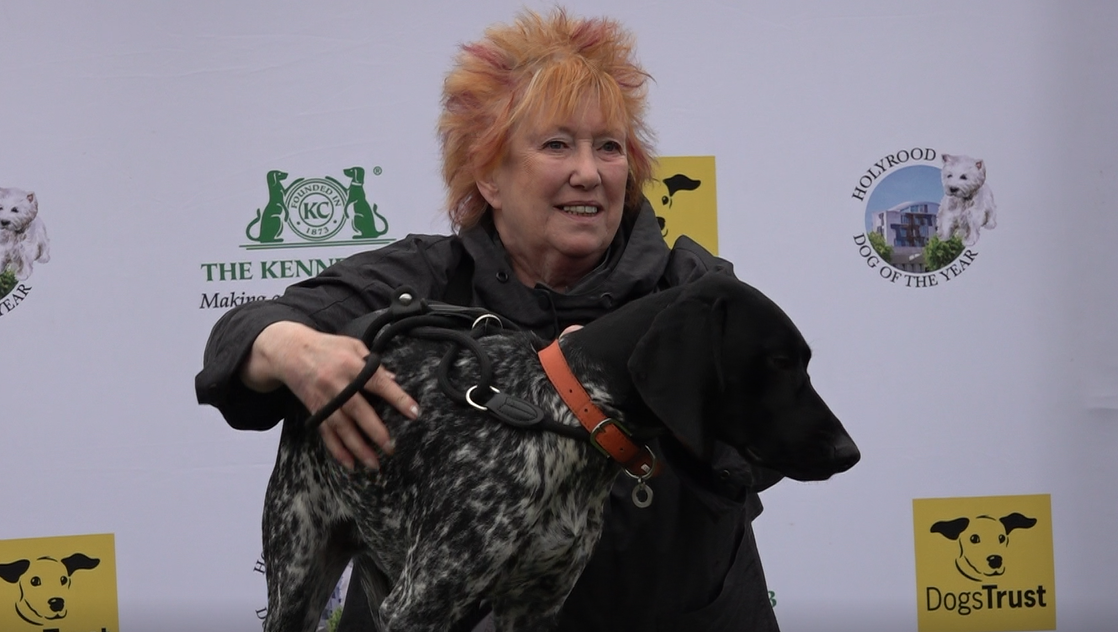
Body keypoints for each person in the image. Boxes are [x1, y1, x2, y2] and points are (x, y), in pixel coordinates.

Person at [195, 8, 781, 631]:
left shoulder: (694, 293)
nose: (589, 171)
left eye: (609, 146)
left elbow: (775, 440)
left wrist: (637, 399)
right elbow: (242, 339)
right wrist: (295, 351)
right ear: (489, 175)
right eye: (556, 144)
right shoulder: (415, 282)